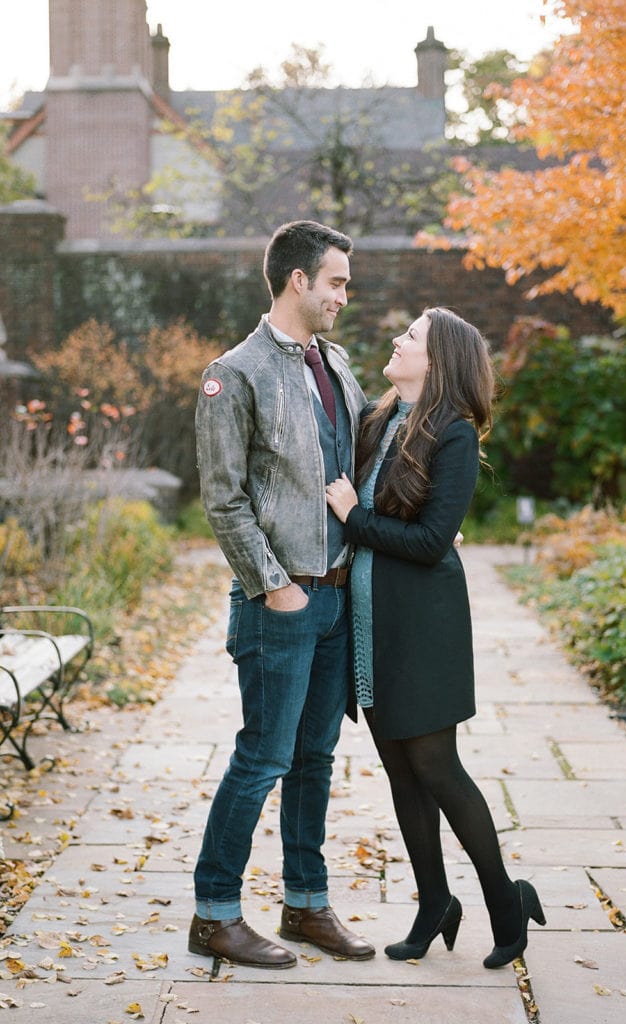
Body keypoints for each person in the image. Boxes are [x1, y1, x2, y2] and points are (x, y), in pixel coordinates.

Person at [325, 307, 546, 967]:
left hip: (423, 626)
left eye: (411, 335)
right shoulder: (377, 419)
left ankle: (505, 899)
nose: (397, 339)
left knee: (435, 767)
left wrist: (352, 516)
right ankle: (434, 902)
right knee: (399, 771)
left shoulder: (452, 435)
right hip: (371, 623)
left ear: (439, 358)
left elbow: (425, 544)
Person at [190, 220, 373, 969]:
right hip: (281, 603)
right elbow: (223, 499)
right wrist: (273, 588)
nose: (342, 297)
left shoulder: (335, 362)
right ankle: (215, 914)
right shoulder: (233, 372)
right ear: (297, 279)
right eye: (335, 283)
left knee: (314, 760)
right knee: (262, 758)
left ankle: (305, 904)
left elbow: (362, 459)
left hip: (338, 600)